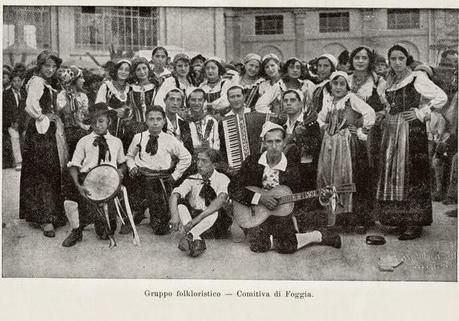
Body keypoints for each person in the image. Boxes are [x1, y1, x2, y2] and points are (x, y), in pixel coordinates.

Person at [228, 122, 341, 254]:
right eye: (269, 142)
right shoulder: (253, 162)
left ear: (283, 143)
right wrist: (259, 198)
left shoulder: (292, 168)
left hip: (280, 215)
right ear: (263, 143)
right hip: (254, 212)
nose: (274, 146)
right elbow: (233, 187)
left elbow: (301, 198)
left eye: (278, 141)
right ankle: (276, 238)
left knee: (286, 247)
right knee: (258, 246)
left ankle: (317, 236)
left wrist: (322, 198)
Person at [376, 45, 447, 240]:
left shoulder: (417, 77)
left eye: (401, 58)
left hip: (411, 131)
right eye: (393, 59)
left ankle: (414, 223)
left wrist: (421, 112)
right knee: (394, 173)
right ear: (389, 61)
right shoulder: (389, 81)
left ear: (407, 59)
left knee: (412, 175)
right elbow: (389, 103)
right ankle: (400, 220)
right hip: (392, 130)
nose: (397, 62)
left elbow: (441, 97)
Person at [317, 71, 376, 233]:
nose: (338, 87)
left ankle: (354, 218)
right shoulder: (328, 101)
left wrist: (360, 129)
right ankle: (336, 217)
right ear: (330, 85)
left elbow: (370, 112)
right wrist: (324, 127)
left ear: (347, 86)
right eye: (335, 84)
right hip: (329, 143)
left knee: (348, 176)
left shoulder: (351, 99)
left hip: (346, 143)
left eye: (342, 84)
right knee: (329, 176)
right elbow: (320, 118)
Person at [61, 103, 127, 246]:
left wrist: (121, 172)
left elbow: (122, 163)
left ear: (109, 121)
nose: (97, 125)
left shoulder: (116, 142)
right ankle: (76, 230)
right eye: (93, 122)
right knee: (69, 199)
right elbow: (74, 166)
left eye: (101, 121)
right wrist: (78, 185)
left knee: (105, 234)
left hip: (109, 182)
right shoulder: (84, 141)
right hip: (87, 180)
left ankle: (100, 219)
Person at [19, 50, 69, 237]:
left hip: (50, 131)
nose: (50, 69)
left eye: (53, 66)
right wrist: (42, 117)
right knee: (42, 171)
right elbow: (31, 105)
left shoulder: (51, 83)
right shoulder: (37, 82)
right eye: (47, 65)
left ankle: (52, 213)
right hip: (40, 132)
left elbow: (59, 105)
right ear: (40, 66)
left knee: (53, 168)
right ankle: (44, 217)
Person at [125, 105, 192, 235]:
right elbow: (129, 156)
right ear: (146, 121)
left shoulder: (170, 139)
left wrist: (175, 175)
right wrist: (132, 166)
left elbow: (186, 157)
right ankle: (136, 214)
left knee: (161, 229)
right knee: (136, 198)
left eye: (158, 119)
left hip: (160, 180)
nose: (155, 123)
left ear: (164, 121)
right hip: (141, 177)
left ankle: (155, 215)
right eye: (151, 119)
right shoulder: (139, 137)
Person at [348, 46, 386, 223]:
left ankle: (367, 217)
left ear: (370, 61)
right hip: (348, 133)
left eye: (364, 58)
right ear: (352, 60)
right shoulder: (345, 80)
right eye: (357, 57)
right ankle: (352, 216)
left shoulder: (379, 82)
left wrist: (368, 124)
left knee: (368, 173)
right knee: (351, 172)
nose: (361, 61)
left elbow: (387, 108)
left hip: (371, 134)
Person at [169, 148, 232, 257]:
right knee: (181, 204)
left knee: (214, 209)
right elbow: (175, 195)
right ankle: (195, 239)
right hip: (194, 220)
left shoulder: (223, 179)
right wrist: (174, 216)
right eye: (198, 160)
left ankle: (191, 235)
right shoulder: (192, 178)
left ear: (215, 165)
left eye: (204, 161)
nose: (199, 164)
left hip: (214, 223)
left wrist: (195, 221)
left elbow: (220, 200)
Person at [56, 65, 90, 156]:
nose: (83, 80)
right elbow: (59, 112)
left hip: (82, 129)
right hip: (67, 131)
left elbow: (85, 115)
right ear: (74, 80)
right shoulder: (62, 96)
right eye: (81, 78)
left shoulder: (82, 96)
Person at [124, 57, 157, 148]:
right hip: (136, 126)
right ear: (134, 72)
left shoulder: (155, 86)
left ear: (148, 69)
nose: (142, 72)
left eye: (144, 68)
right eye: (138, 70)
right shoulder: (130, 88)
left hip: (154, 125)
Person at [95, 59, 132, 138]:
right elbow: (98, 106)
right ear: (116, 70)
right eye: (121, 69)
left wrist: (127, 113)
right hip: (108, 127)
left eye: (127, 70)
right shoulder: (106, 86)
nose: (123, 72)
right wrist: (114, 111)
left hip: (126, 129)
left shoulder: (130, 88)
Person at [3, 71, 26, 171]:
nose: (17, 83)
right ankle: (18, 162)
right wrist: (12, 123)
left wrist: (22, 123)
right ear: (11, 82)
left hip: (23, 123)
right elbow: (5, 112)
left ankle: (29, 161)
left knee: (27, 136)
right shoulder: (6, 94)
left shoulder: (25, 93)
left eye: (19, 81)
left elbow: (26, 110)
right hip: (11, 123)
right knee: (15, 136)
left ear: (22, 82)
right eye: (14, 81)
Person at [163, 88, 194, 154]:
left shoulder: (184, 124)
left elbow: (189, 150)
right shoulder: (158, 122)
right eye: (171, 99)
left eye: (178, 100)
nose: (175, 103)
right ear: (165, 101)